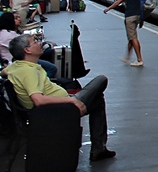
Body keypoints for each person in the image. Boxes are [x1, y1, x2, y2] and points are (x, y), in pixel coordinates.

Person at [5, 34, 116, 162]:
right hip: (59, 109)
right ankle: (98, 148)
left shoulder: (16, 66)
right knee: (101, 80)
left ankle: (99, 149)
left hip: (55, 106)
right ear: (27, 50)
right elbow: (38, 100)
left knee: (97, 101)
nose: (39, 43)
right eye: (34, 42)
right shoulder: (28, 72)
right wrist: (71, 100)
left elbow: (4, 72)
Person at [0, 11, 58, 78]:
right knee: (52, 68)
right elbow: (23, 46)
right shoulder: (6, 35)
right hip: (18, 60)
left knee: (48, 52)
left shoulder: (11, 32)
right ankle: (43, 82)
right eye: (16, 18)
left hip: (22, 57)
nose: (19, 19)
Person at [104, 0, 143, 67]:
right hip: (137, 15)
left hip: (130, 16)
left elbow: (119, 1)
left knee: (133, 38)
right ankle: (127, 57)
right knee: (131, 38)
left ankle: (139, 59)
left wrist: (108, 8)